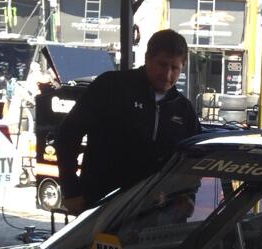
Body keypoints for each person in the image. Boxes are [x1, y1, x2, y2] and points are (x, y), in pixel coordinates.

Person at [56, 29, 201, 215]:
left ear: (183, 67)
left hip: (157, 216)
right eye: (162, 65)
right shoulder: (111, 86)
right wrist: (71, 190)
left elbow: (194, 159)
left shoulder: (184, 110)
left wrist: (188, 196)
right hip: (102, 208)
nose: (167, 74)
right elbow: (68, 134)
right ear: (147, 58)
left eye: (175, 68)